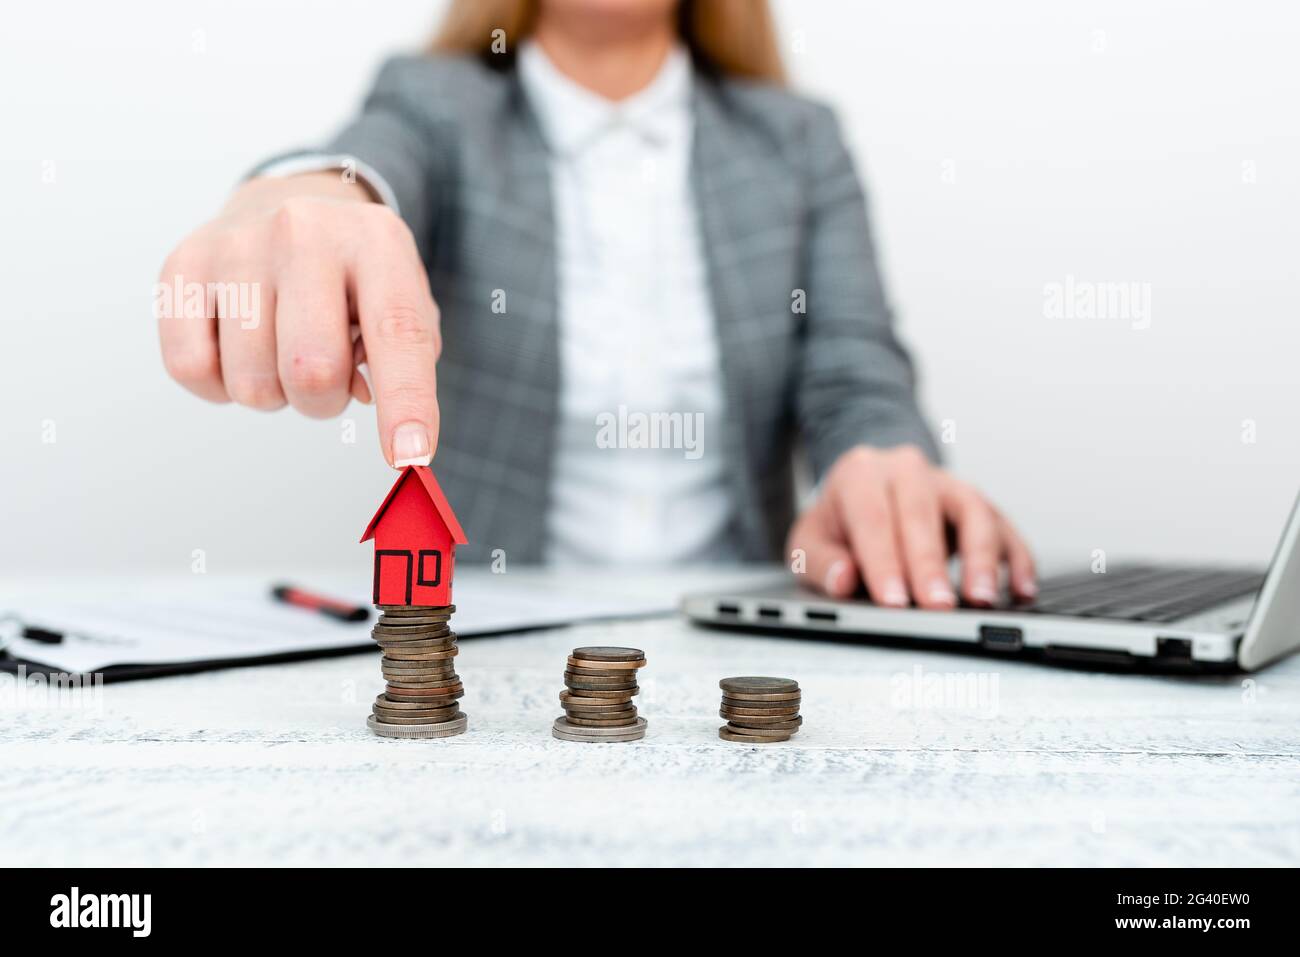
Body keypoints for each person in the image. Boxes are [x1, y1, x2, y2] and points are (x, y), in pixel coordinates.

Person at [156, 0, 1036, 609]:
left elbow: (856, 370)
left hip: (741, 642)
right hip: (497, 654)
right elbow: (368, 163)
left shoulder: (798, 140)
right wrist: (303, 194)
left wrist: (881, 463)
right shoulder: (439, 104)